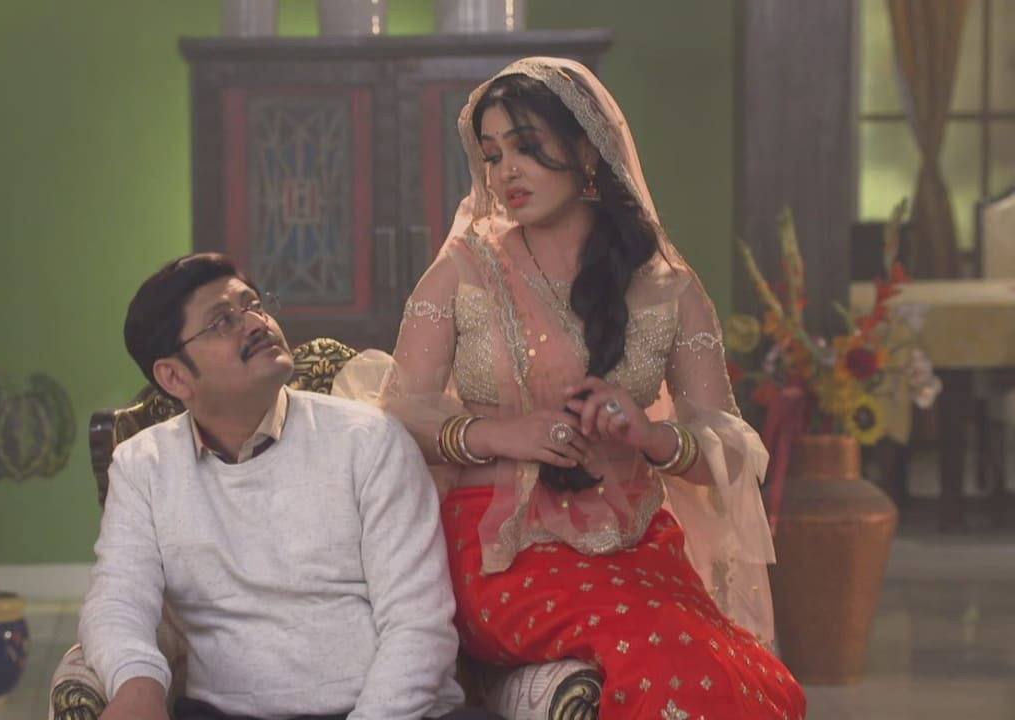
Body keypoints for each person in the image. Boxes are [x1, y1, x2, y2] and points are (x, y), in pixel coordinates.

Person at [333, 58, 807, 718]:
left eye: (526, 147)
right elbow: (393, 416)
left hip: (640, 547)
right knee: (671, 673)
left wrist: (650, 437)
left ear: (587, 149)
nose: (506, 172)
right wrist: (500, 435)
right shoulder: (463, 273)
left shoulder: (667, 289)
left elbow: (731, 450)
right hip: (501, 553)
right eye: (493, 155)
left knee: (759, 684)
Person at [80, 253, 492, 720]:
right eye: (223, 321)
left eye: (254, 305)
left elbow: (418, 626)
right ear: (174, 376)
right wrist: (137, 684)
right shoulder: (143, 466)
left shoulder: (369, 440)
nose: (256, 323)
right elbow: (117, 600)